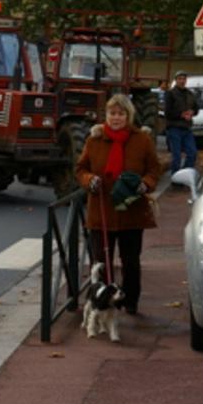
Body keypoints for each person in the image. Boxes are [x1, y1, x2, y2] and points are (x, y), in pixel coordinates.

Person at [76, 94, 160, 315]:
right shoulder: (94, 139)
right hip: (101, 211)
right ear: (107, 115)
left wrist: (145, 184)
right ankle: (101, 303)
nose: (116, 118)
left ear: (128, 115)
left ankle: (130, 301)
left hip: (131, 211)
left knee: (130, 261)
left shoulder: (142, 140)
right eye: (112, 113)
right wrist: (89, 180)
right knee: (101, 261)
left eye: (120, 113)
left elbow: (154, 169)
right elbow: (81, 169)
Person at [165, 70, 198, 176]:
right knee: (177, 156)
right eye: (180, 79)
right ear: (176, 80)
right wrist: (181, 114)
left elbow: (196, 108)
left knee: (192, 153)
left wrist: (192, 112)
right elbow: (167, 113)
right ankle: (175, 178)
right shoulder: (170, 94)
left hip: (187, 128)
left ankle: (184, 175)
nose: (182, 81)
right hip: (174, 128)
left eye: (184, 79)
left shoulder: (190, 94)